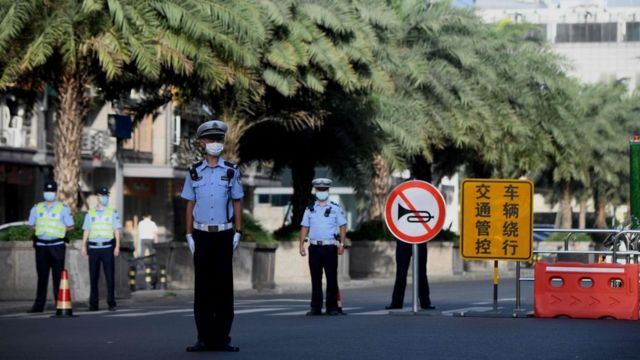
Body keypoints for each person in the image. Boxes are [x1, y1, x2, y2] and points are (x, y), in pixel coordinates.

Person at [181, 119, 243, 353]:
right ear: (201, 142)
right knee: (203, 289)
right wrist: (188, 235)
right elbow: (189, 204)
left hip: (224, 235)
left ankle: (222, 338)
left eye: (219, 139)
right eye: (211, 140)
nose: (215, 143)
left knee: (224, 288)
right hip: (202, 235)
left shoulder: (231, 171)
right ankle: (203, 338)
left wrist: (238, 231)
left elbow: (237, 201)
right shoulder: (194, 172)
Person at [299, 178, 347, 316]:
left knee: (331, 278)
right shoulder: (309, 209)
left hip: (329, 247)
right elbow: (304, 227)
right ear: (315, 190)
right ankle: (316, 307)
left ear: (328, 190)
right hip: (314, 248)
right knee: (315, 279)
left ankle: (332, 307)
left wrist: (342, 244)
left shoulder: (335, 208)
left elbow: (342, 226)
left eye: (324, 189)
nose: (321, 192)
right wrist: (301, 245)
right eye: (319, 190)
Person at [27, 180, 74, 313]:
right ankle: (38, 306)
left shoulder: (63, 209)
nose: (49, 194)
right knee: (42, 276)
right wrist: (41, 231)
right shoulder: (36, 208)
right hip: (41, 246)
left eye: (52, 191)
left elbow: (70, 226)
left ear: (55, 193)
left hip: (57, 246)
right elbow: (31, 224)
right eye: (47, 191)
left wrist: (58, 232)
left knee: (58, 277)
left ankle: (59, 304)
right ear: (43, 193)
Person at [81, 187, 122, 311]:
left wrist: (117, 246)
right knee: (93, 277)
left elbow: (116, 230)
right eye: (102, 195)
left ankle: (111, 303)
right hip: (93, 248)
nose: (105, 197)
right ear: (97, 196)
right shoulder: (90, 213)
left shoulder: (112, 212)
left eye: (106, 195)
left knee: (110, 276)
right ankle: (94, 304)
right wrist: (83, 246)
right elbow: (86, 230)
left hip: (108, 248)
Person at [385, 240, 435, 310]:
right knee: (401, 274)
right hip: (403, 240)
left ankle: (425, 302)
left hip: (419, 240)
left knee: (421, 274)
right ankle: (396, 302)